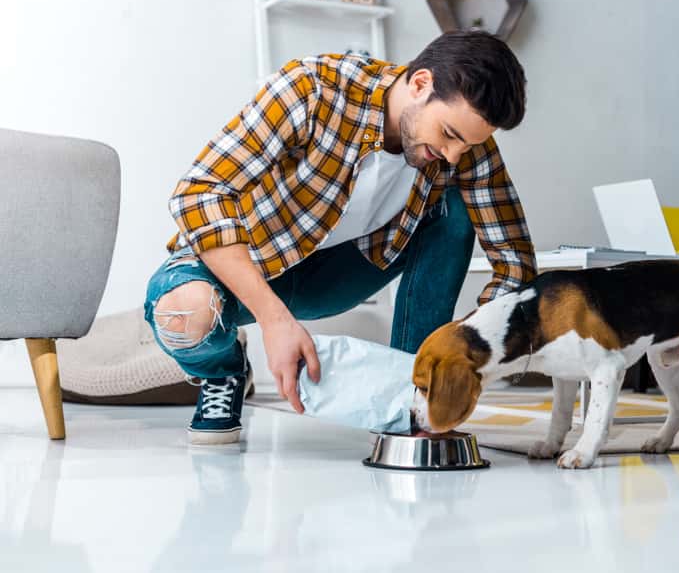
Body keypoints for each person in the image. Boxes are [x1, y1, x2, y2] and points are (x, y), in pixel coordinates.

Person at [142, 31, 537, 444]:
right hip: (253, 263)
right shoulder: (311, 89)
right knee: (183, 315)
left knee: (453, 210)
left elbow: (514, 261)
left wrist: (472, 351)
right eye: (450, 135)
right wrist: (274, 320)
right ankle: (224, 372)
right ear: (420, 84)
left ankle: (412, 397)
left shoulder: (463, 149)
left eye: (469, 144)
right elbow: (200, 193)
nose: (455, 154)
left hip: (338, 274)